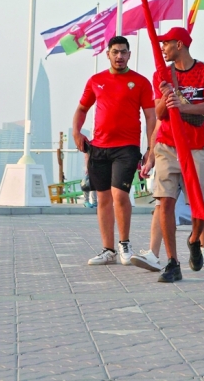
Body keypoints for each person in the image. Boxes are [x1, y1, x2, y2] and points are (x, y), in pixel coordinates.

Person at [140, 27, 204, 282]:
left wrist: (185, 105)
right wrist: (167, 97)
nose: (162, 48)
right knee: (164, 201)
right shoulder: (161, 74)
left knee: (200, 203)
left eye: (166, 44)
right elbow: (160, 113)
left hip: (196, 146)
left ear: (179, 44)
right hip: (167, 145)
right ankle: (172, 262)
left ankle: (195, 239)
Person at [73, 36, 156, 267]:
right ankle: (107, 250)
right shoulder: (95, 81)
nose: (119, 56)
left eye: (124, 52)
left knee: (120, 195)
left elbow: (151, 116)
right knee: (103, 199)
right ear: (108, 54)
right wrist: (77, 132)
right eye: (115, 52)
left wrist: (151, 148)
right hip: (99, 148)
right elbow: (81, 109)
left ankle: (124, 243)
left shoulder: (140, 82)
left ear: (129, 55)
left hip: (127, 148)